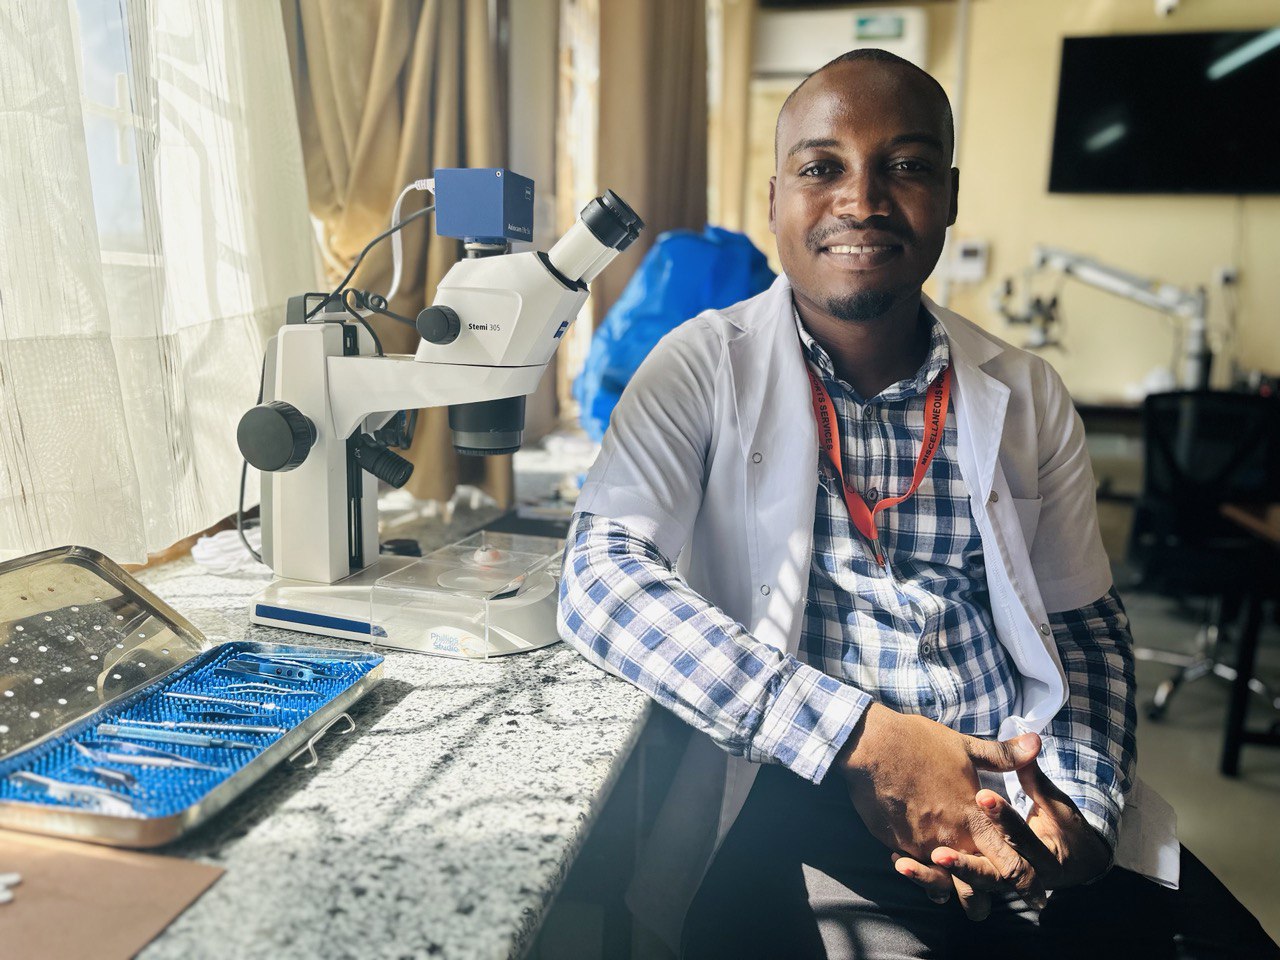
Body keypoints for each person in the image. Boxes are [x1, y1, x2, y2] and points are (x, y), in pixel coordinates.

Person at [557, 49, 1278, 959]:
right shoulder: (700, 368)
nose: (862, 200)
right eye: (822, 168)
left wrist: (1081, 811)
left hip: (1018, 781)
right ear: (773, 197)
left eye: (905, 165)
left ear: (950, 192)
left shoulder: (1026, 390)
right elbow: (601, 580)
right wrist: (863, 738)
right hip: (806, 783)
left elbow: (1087, 626)